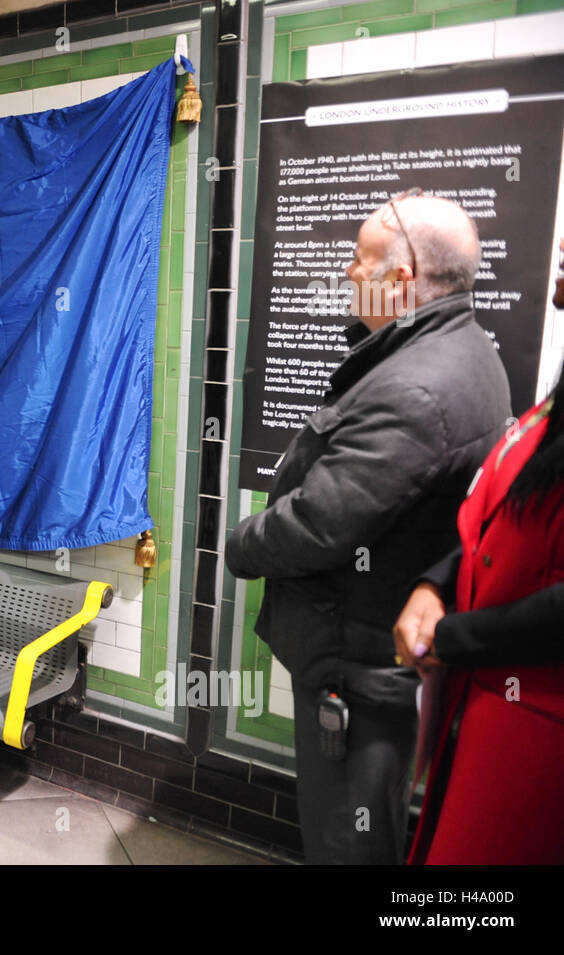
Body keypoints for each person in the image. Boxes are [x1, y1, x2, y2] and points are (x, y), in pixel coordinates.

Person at [224, 190, 511, 864]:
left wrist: (242, 542)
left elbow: (323, 523)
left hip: (354, 664)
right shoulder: (458, 346)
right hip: (368, 648)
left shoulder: (416, 388)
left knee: (345, 839)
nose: (348, 273)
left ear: (402, 276)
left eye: (360, 259)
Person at [394, 240, 564, 864]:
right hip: (485, 704)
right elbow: (503, 514)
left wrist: (456, 637)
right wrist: (436, 585)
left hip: (538, 728)